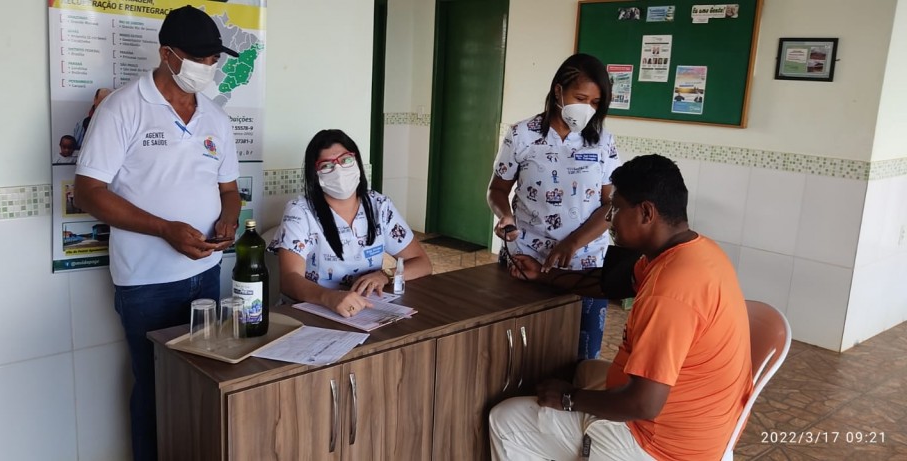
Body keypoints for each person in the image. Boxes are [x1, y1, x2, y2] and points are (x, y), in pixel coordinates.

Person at [488, 154, 753, 461]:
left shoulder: (669, 291)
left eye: (615, 208)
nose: (610, 218)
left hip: (662, 446)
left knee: (505, 418)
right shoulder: (695, 251)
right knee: (584, 369)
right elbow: (610, 284)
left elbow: (643, 404)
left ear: (646, 212)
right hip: (704, 420)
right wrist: (543, 275)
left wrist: (570, 399)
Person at [72, 6, 241, 460]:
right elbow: (88, 192)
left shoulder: (215, 118)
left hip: (207, 274)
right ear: (167, 54)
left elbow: (229, 191)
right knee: (154, 387)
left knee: (203, 383)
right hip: (147, 283)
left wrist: (228, 220)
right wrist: (164, 229)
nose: (208, 67)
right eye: (199, 58)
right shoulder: (123, 107)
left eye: (213, 59)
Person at [487, 53, 620, 360]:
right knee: (521, 351)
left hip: (586, 265)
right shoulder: (522, 134)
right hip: (525, 258)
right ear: (558, 91)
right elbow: (497, 189)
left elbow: (612, 205)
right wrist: (504, 215)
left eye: (595, 102)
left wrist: (573, 243)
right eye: (580, 98)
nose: (587, 109)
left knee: (581, 355)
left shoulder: (603, 141)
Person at [269, 129, 432, 317]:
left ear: (357, 162)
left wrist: (385, 275)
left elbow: (422, 263)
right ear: (315, 174)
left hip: (366, 308)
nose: (339, 170)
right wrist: (328, 297)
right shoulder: (300, 212)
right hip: (312, 311)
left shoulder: (379, 206)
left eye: (346, 160)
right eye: (327, 165)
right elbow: (289, 280)